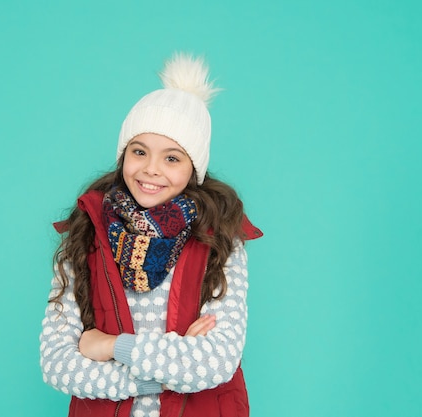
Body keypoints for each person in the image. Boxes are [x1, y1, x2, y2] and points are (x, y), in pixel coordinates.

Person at [40, 52, 263, 417]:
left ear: (194, 168)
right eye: (139, 151)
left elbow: (217, 360)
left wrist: (112, 346)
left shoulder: (220, 238)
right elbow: (57, 362)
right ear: (123, 155)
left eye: (172, 158)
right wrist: (162, 372)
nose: (151, 169)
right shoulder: (85, 233)